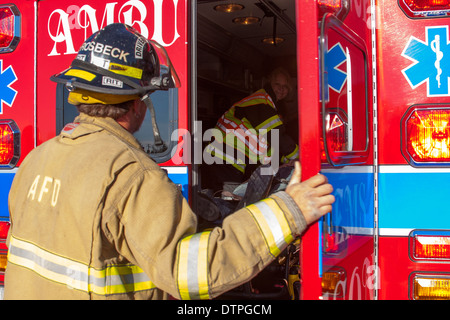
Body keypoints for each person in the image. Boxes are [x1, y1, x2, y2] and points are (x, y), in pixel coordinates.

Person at [4, 23, 334, 300]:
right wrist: (291, 209)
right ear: (138, 105)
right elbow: (193, 271)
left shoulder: (35, 159)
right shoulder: (132, 176)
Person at [203, 67, 299, 194]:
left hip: (227, 161)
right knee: (226, 201)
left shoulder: (267, 103)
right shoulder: (261, 102)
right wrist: (299, 157)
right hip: (224, 159)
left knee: (228, 200)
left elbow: (270, 147)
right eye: (277, 84)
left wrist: (287, 161)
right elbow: (277, 136)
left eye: (285, 86)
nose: (281, 89)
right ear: (269, 83)